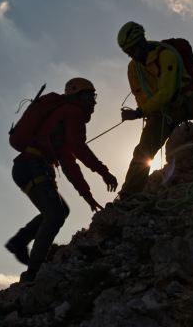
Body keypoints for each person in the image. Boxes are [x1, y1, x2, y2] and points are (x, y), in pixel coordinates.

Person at [6, 77, 118, 282]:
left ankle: (20, 241)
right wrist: (104, 172)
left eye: (93, 96)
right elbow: (79, 149)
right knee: (55, 215)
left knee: (60, 211)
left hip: (27, 166)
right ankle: (33, 273)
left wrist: (87, 196)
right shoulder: (72, 113)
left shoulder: (61, 119)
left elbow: (69, 164)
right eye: (89, 95)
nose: (93, 101)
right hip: (34, 166)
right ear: (77, 96)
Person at [116, 21, 193, 197]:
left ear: (142, 41)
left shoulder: (166, 55)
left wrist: (140, 112)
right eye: (127, 52)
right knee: (143, 151)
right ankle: (129, 196)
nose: (132, 54)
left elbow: (167, 92)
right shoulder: (133, 69)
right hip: (160, 113)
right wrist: (147, 111)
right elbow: (141, 95)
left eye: (133, 49)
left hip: (184, 102)